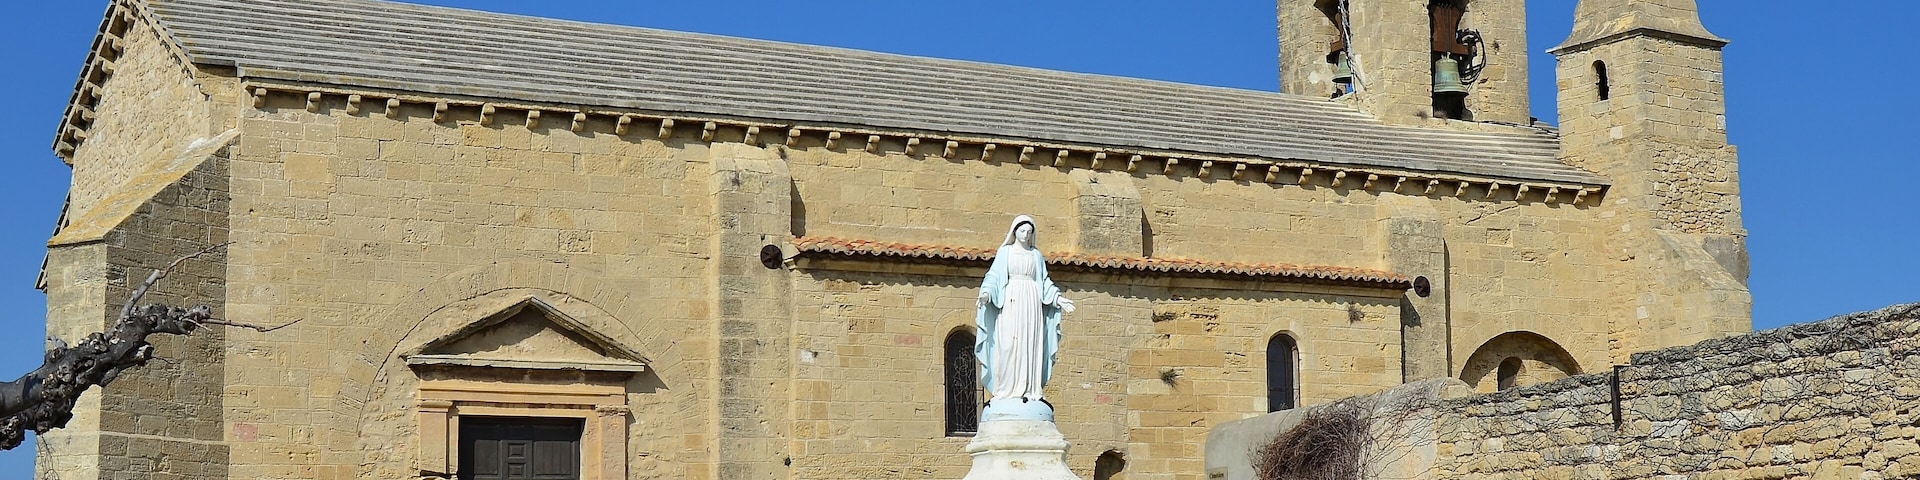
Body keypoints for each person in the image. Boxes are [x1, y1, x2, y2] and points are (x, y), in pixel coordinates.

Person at [975, 215, 1075, 405]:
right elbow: (994, 276)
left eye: (1029, 232)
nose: (1025, 235)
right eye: (1022, 231)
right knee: (1008, 344)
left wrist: (1058, 299)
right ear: (1014, 232)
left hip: (1031, 301)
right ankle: (1005, 389)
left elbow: (1044, 282)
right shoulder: (1005, 252)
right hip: (1010, 300)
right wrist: (986, 294)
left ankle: (1030, 388)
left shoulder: (1035, 255)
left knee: (1029, 344)